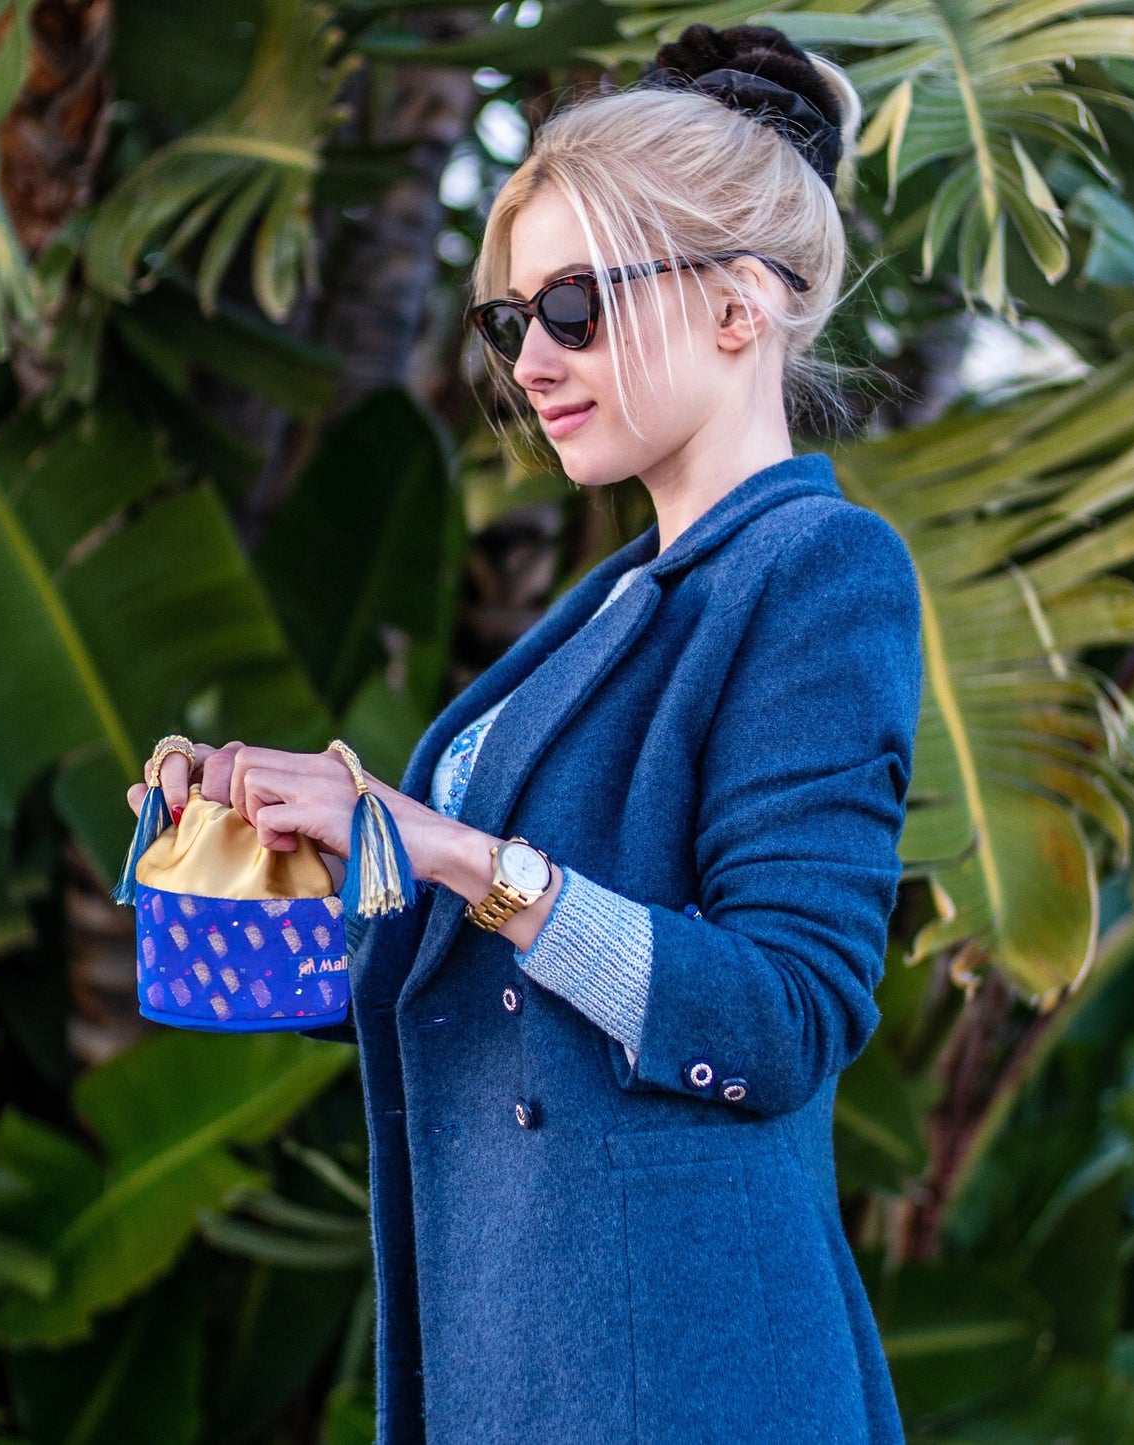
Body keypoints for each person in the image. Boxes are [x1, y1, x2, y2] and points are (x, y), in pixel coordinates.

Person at [128, 22, 921, 1443]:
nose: (528, 360)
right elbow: (481, 993)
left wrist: (454, 853)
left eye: (573, 307)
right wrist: (273, 835)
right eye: (507, 323)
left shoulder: (816, 569)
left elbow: (784, 1015)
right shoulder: (614, 605)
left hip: (675, 1372)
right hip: (525, 1353)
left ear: (740, 307)